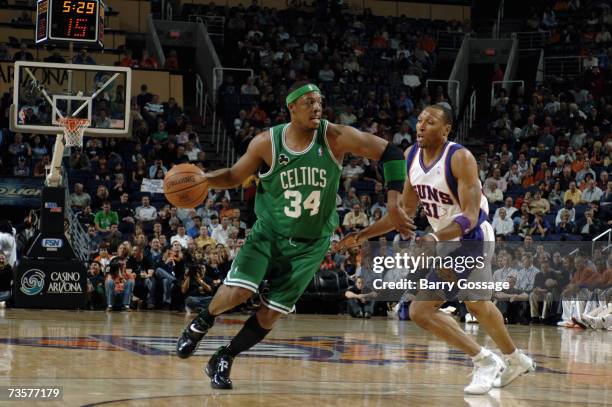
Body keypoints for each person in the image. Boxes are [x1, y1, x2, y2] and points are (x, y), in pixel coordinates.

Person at [175, 82, 413, 389]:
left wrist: (394, 202)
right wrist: (206, 179)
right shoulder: (266, 142)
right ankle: (202, 321)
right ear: (292, 108)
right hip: (269, 234)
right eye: (309, 102)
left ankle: (224, 356)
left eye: (319, 102)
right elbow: (235, 176)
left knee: (271, 313)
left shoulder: (335, 137)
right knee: (238, 293)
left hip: (311, 244)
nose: (317, 107)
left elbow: (392, 153)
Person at [339, 105, 535, 395]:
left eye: (430, 122)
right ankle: (515, 359)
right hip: (446, 240)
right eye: (419, 121)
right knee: (478, 304)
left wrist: (435, 237)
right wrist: (363, 234)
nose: (421, 126)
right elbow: (404, 211)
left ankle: (484, 360)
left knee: (420, 310)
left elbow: (471, 216)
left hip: (471, 237)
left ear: (446, 130)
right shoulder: (411, 157)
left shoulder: (460, 157)